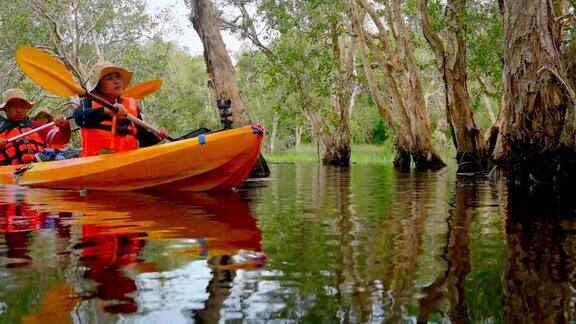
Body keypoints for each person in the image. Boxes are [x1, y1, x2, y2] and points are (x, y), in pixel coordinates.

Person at [73, 62, 167, 157]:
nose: (117, 81)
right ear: (99, 86)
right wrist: (106, 111)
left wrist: (157, 136)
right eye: (110, 78)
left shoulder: (131, 106)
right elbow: (80, 117)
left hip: (126, 163)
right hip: (96, 164)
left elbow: (143, 138)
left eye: (118, 77)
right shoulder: (88, 102)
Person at [0, 88, 71, 165]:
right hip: (10, 173)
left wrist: (64, 126)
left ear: (26, 108)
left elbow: (62, 139)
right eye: (13, 106)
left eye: (22, 106)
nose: (19, 110)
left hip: (38, 169)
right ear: (5, 109)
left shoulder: (36, 126)